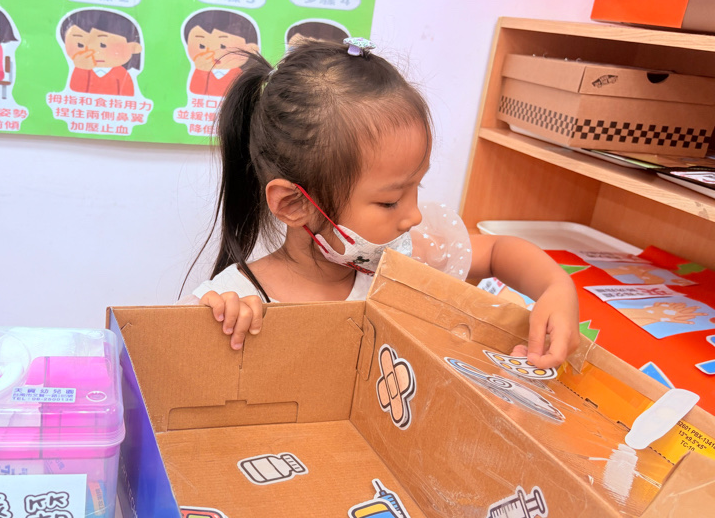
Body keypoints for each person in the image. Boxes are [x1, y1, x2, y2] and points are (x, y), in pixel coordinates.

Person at [188, 38, 580, 367]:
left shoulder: (404, 256)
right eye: (391, 202)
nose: (414, 216)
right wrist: (216, 324)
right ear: (293, 204)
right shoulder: (238, 298)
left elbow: (496, 252)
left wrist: (556, 287)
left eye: (417, 187)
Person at [60, 8, 143, 97]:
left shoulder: (121, 74)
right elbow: (74, 91)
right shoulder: (81, 70)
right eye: (80, 45)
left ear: (132, 47)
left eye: (102, 45)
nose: (91, 51)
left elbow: (128, 97)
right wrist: (81, 69)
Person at [183, 9, 259, 98]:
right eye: (202, 46)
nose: (211, 52)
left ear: (251, 49)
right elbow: (195, 91)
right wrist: (202, 71)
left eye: (223, 46)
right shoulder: (200, 71)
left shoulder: (240, 76)